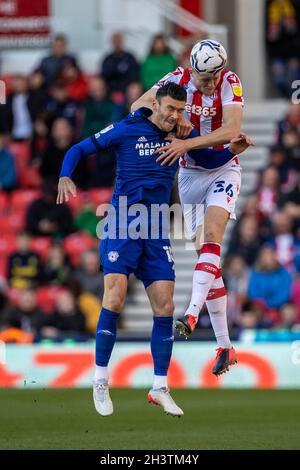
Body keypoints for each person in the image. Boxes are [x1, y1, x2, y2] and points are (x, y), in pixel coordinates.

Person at [57, 83, 251, 417]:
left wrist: (233, 149)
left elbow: (210, 157)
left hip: (157, 228)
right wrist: (65, 175)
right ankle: (101, 379)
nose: (175, 115)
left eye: (180, 110)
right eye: (171, 109)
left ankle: (160, 386)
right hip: (121, 224)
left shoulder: (179, 139)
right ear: (156, 104)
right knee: (115, 297)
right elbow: (78, 149)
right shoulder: (126, 128)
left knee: (164, 307)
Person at [132, 39, 245, 374]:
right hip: (189, 175)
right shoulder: (177, 79)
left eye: (214, 76)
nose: (209, 83)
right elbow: (138, 107)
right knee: (204, 256)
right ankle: (225, 346)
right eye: (203, 76)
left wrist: (187, 139)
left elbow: (232, 129)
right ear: (192, 67)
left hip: (224, 167)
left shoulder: (231, 82)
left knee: (212, 238)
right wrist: (168, 119)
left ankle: (192, 314)